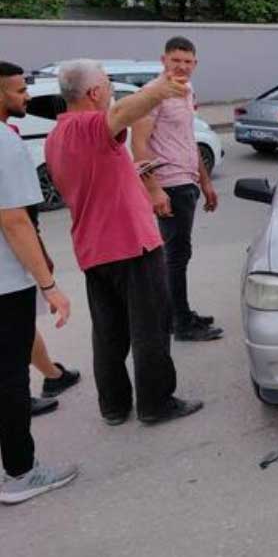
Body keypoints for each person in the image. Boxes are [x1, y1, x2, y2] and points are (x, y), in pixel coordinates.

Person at [45, 60, 204, 426]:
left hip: (92, 248)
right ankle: (156, 404)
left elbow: (90, 180)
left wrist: (127, 174)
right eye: (107, 86)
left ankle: (114, 407)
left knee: (109, 335)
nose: (111, 93)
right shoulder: (89, 125)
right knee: (150, 327)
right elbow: (119, 114)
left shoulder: (58, 137)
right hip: (130, 245)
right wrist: (158, 90)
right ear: (94, 93)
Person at [0, 61, 78, 505]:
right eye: (15, 91)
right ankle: (20, 473)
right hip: (5, 284)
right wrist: (49, 284)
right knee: (10, 378)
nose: (25, 97)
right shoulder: (6, 145)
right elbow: (14, 220)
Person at [131, 37, 222, 342]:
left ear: (195, 63)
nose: (182, 66)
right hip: (169, 185)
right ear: (163, 60)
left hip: (187, 181)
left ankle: (177, 314)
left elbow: (188, 138)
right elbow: (139, 146)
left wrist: (205, 181)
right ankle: (180, 323)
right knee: (176, 256)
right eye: (176, 60)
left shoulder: (185, 90)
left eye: (188, 61)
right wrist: (155, 190)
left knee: (179, 253)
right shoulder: (153, 95)